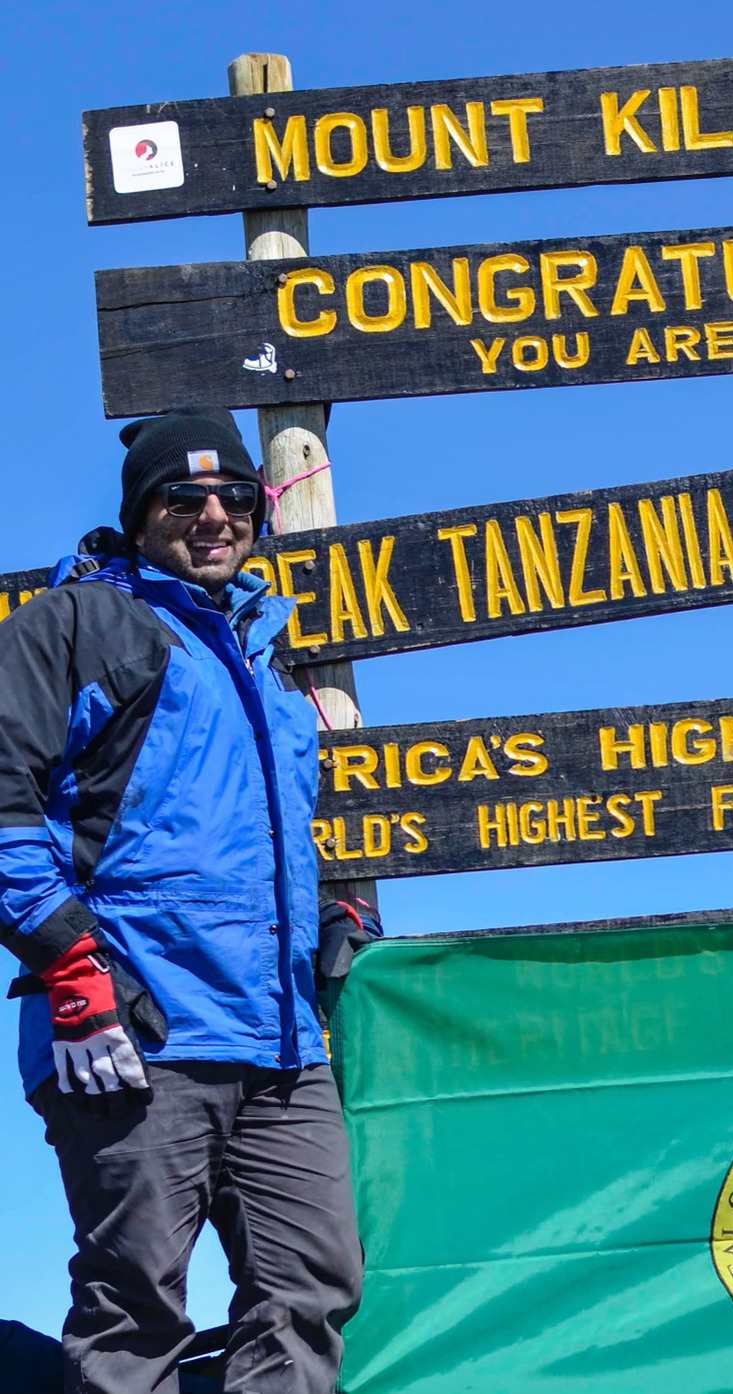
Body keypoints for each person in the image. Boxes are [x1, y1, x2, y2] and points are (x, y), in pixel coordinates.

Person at [0, 408, 378, 1394]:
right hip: (131, 1032)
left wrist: (328, 918)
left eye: (235, 496)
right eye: (184, 496)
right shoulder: (75, 625)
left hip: (280, 1045)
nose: (213, 515)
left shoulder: (263, 656)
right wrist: (70, 966)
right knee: (136, 1309)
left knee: (312, 1284)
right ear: (140, 513)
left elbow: (245, 837)